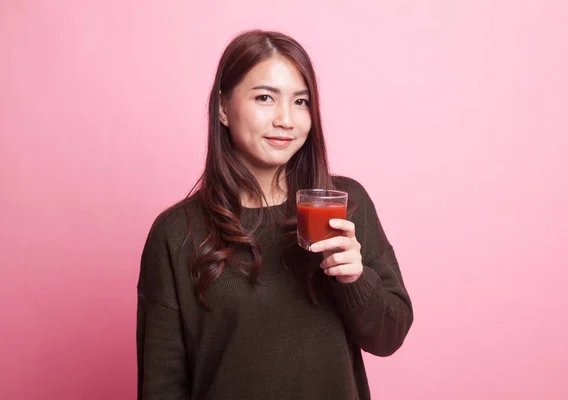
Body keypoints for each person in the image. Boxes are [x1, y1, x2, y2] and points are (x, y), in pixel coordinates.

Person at [136, 29, 414, 400]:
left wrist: (355, 279)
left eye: (301, 102)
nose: (286, 119)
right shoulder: (175, 233)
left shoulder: (345, 206)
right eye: (265, 97)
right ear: (222, 108)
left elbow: (389, 336)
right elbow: (162, 385)